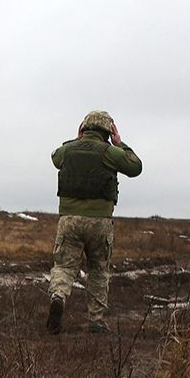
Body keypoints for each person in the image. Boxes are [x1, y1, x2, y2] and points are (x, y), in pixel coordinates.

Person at [46, 110, 142, 334]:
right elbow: (135, 167)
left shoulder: (68, 151)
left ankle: (58, 297)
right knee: (98, 269)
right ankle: (96, 320)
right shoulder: (110, 152)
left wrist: (76, 140)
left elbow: (55, 157)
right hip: (100, 222)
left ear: (83, 128)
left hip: (69, 220)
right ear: (108, 131)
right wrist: (120, 144)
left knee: (64, 266)